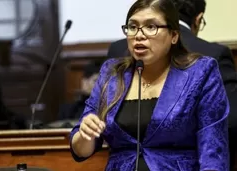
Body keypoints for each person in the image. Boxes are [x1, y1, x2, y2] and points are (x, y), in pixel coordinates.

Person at [70, 0, 229, 170]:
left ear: (174, 36)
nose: (139, 35)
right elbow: (80, 150)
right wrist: (85, 135)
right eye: (132, 27)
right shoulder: (112, 74)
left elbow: (213, 151)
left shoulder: (200, 72)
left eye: (151, 27)